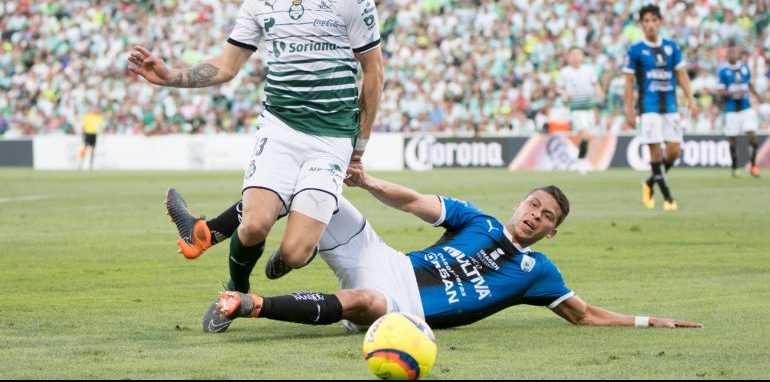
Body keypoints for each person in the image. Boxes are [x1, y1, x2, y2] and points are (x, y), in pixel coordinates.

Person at [127, 0, 385, 328]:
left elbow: (373, 75)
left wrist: (360, 146)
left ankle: (212, 233)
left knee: (296, 254)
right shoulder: (259, 0)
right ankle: (234, 294)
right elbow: (227, 66)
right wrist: (169, 76)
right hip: (280, 128)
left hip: (332, 139)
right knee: (253, 227)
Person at [163, 166, 702, 333]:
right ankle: (205, 234)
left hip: (406, 311)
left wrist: (646, 322)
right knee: (313, 193)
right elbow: (416, 201)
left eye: (547, 217)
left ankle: (247, 304)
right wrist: (371, 184)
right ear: (520, 204)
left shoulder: (539, 271)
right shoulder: (480, 221)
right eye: (534, 205)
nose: (536, 215)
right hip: (384, 257)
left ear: (552, 231)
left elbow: (585, 317)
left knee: (365, 303)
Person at [623, 4, 697, 212]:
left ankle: (649, 183)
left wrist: (691, 99)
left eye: (654, 21)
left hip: (671, 107)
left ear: (660, 22)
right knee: (655, 153)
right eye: (646, 21)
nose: (650, 25)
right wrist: (629, 110)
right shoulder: (635, 49)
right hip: (648, 108)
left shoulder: (672, 47)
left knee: (673, 152)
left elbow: (681, 74)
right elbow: (629, 82)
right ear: (641, 24)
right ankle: (669, 199)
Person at [556, 47, 605, 174]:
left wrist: (599, 91)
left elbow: (595, 83)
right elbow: (558, 88)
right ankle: (581, 160)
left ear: (582, 56)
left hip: (589, 107)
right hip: (576, 109)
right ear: (568, 57)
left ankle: (581, 159)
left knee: (588, 136)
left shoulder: (588, 70)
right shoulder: (565, 72)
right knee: (586, 134)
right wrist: (564, 92)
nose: (575, 57)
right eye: (573, 54)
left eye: (578, 54)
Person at [717, 40, 761, 178]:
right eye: (730, 53)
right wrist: (734, 93)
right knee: (733, 140)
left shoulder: (744, 67)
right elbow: (720, 91)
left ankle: (753, 166)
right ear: (726, 55)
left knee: (752, 136)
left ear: (737, 54)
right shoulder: (723, 71)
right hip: (731, 110)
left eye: (735, 52)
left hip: (746, 108)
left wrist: (760, 97)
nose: (733, 55)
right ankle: (735, 166)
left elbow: (749, 85)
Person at [78, 105, 103, 170]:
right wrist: (82, 134)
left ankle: (91, 164)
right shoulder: (87, 116)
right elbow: (83, 126)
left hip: (94, 134)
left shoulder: (98, 117)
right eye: (94, 109)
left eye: (96, 109)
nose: (95, 110)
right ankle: (80, 163)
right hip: (87, 134)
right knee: (84, 149)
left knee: (93, 150)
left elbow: (100, 126)